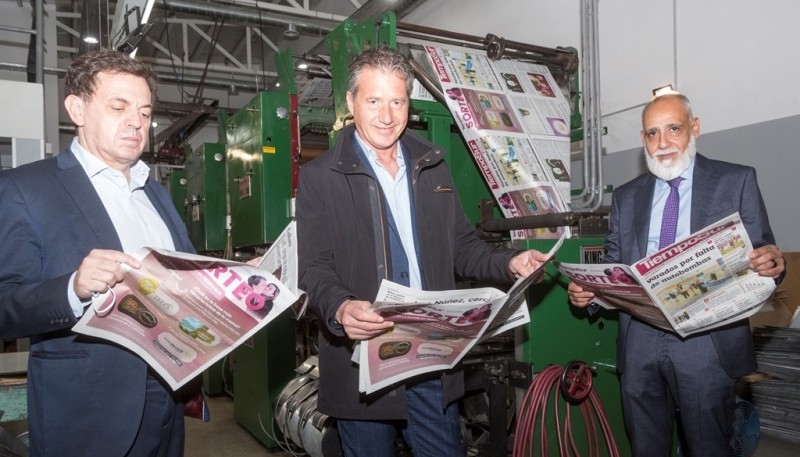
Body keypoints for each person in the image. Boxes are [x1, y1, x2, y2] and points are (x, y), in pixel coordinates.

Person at [296, 46, 551, 457]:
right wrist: (341, 308)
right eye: (373, 100)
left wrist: (509, 262)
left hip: (430, 355)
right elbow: (312, 268)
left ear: (408, 103)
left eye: (397, 101)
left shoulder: (432, 165)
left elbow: (464, 249)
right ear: (351, 102)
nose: (386, 115)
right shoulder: (320, 177)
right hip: (362, 362)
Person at [0, 49, 198, 456]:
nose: (136, 122)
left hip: (167, 396)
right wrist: (72, 288)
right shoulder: (25, 189)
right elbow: (4, 305)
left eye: (144, 112)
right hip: (86, 411)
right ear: (77, 108)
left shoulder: (155, 192)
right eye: (119, 106)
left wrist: (239, 278)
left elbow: (188, 276)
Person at [567, 93, 785, 457]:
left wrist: (774, 265)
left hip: (706, 341)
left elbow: (767, 255)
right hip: (640, 339)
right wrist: (589, 292)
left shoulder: (736, 180)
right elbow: (614, 261)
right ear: (643, 140)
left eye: (673, 129)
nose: (663, 143)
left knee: (708, 447)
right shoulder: (626, 196)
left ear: (694, 128)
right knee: (646, 446)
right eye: (653, 134)